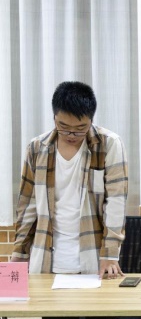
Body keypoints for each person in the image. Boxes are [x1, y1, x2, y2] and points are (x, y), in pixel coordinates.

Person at [12, 81, 128, 280]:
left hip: (93, 259)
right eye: (63, 127)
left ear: (91, 120)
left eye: (80, 128)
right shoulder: (37, 148)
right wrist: (19, 252)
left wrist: (110, 254)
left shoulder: (109, 144)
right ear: (54, 117)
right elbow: (27, 205)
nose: (71, 135)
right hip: (45, 259)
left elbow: (116, 202)